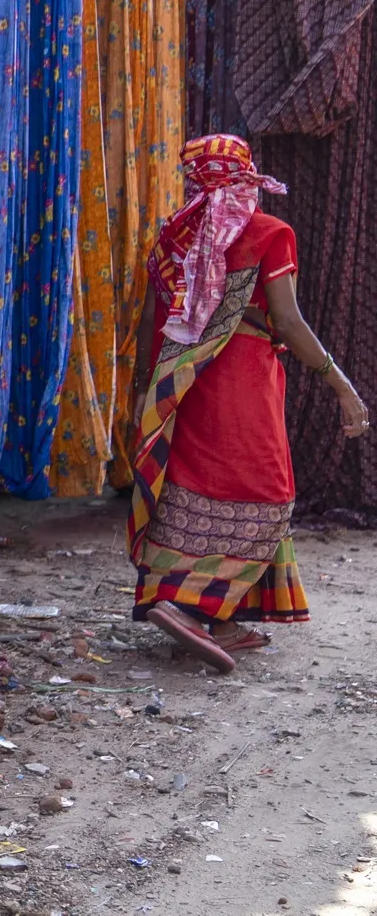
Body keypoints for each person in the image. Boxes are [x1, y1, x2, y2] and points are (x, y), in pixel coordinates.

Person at [127, 134, 369, 673]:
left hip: (181, 381)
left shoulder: (173, 237)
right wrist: (342, 386)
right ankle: (195, 610)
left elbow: (149, 321)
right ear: (246, 176)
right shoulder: (269, 233)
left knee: (191, 482)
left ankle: (214, 617)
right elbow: (286, 321)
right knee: (266, 491)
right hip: (242, 381)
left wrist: (147, 392)